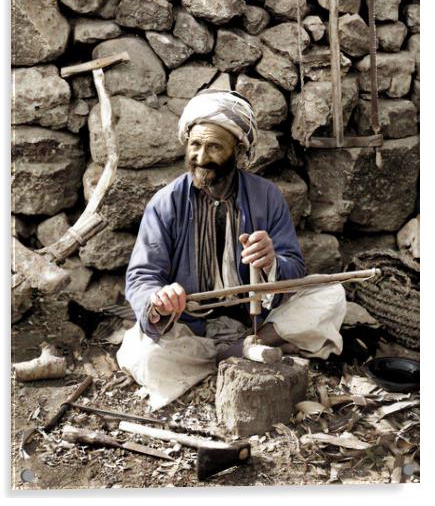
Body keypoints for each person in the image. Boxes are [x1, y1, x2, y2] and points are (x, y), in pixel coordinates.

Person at [117, 89, 346, 410]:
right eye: (195, 144)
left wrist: (271, 262)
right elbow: (142, 276)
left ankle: (246, 345)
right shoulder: (165, 203)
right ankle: (237, 353)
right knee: (141, 354)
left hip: (257, 319)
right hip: (189, 327)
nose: (200, 156)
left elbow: (294, 268)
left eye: (214, 146)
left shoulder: (267, 196)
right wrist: (158, 302)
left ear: (238, 150)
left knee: (331, 293)